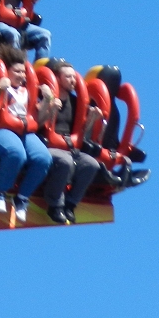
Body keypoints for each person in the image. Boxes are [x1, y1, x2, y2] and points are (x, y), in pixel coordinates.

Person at [0, 45, 52, 222]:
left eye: (24, 72)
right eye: (17, 72)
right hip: (3, 130)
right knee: (16, 154)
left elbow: (38, 121)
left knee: (43, 158)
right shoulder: (0, 86)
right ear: (7, 71)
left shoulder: (27, 91)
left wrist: (47, 100)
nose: (22, 76)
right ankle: (0, 194)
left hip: (26, 131)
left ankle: (22, 198)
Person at [37, 59, 103, 223]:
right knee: (64, 162)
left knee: (91, 164)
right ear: (58, 79)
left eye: (73, 77)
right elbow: (37, 124)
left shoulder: (76, 102)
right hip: (49, 144)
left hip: (71, 147)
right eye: (68, 77)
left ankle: (71, 203)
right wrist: (50, 107)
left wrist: (92, 119)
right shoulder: (46, 97)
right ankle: (55, 205)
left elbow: (82, 132)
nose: (72, 81)